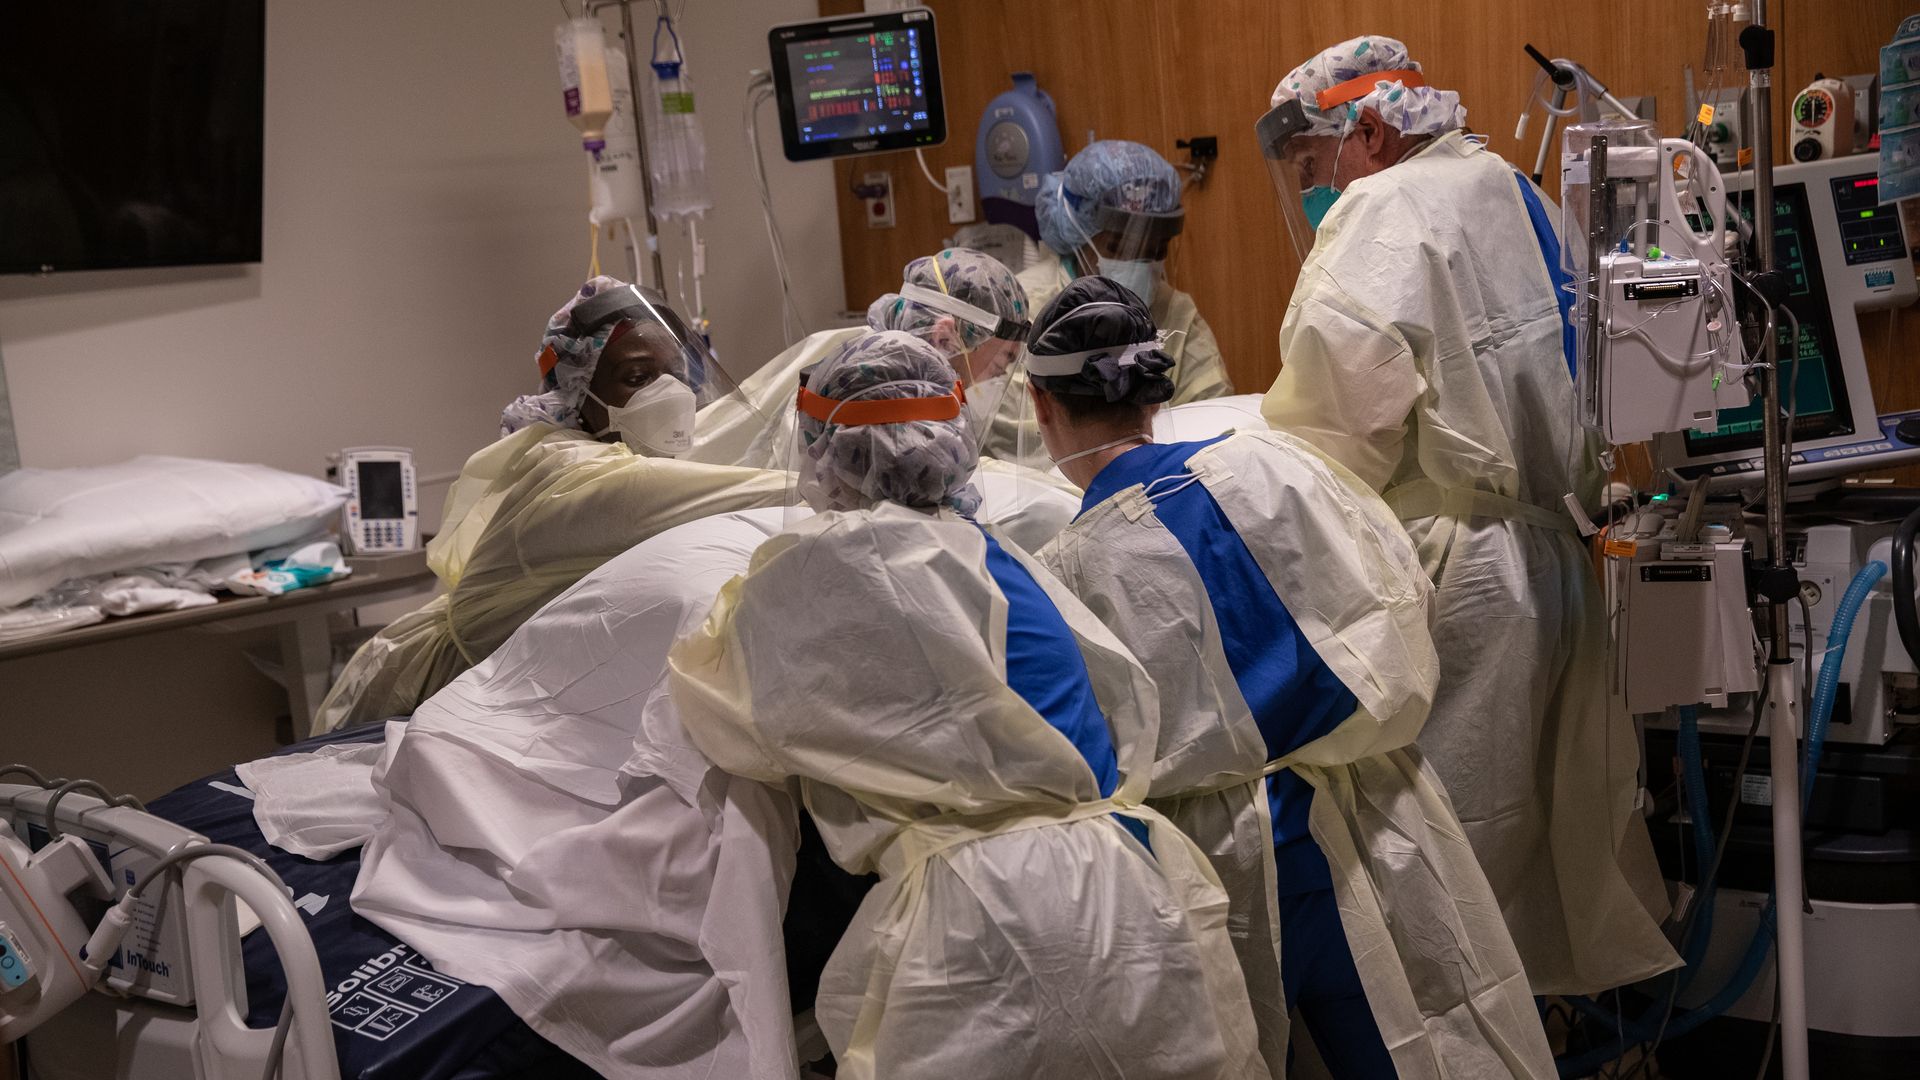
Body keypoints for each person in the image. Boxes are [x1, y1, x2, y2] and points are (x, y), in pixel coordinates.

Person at [668, 330, 1269, 1080]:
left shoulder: (809, 578)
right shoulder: (1004, 557)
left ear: (822, 451)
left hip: (973, 925)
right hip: (1128, 892)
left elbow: (720, 711)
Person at [1029, 278, 1555, 1079]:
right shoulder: (1279, 467)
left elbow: (1089, 755)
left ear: (1041, 406)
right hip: (1375, 821)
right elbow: (1399, 593)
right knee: (1427, 1047)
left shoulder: (1067, 571)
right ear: (1155, 388)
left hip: (1219, 869)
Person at [1256, 35, 1679, 995]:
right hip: (1547, 558)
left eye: (1313, 165)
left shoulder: (1383, 208)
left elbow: (1332, 434)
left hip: (1456, 581)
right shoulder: (1510, 189)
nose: (1316, 192)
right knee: (1532, 838)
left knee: (1441, 872)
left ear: (1366, 131)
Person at [314, 277, 788, 732]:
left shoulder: (627, 453)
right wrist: (841, 470)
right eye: (638, 377)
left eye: (677, 375)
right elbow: (758, 491)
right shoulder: (568, 473)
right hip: (424, 691)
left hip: (515, 682)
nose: (669, 394)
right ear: (580, 391)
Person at [687, 246, 1031, 469]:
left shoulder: (889, 367)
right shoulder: (860, 386)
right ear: (945, 337)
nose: (992, 381)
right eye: (1000, 365)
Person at [1023, 139, 1234, 405]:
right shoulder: (1029, 310)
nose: (1142, 264)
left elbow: (1213, 412)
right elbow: (1016, 436)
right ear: (1079, 232)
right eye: (1121, 247)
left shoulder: (1175, 315)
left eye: (1157, 250)